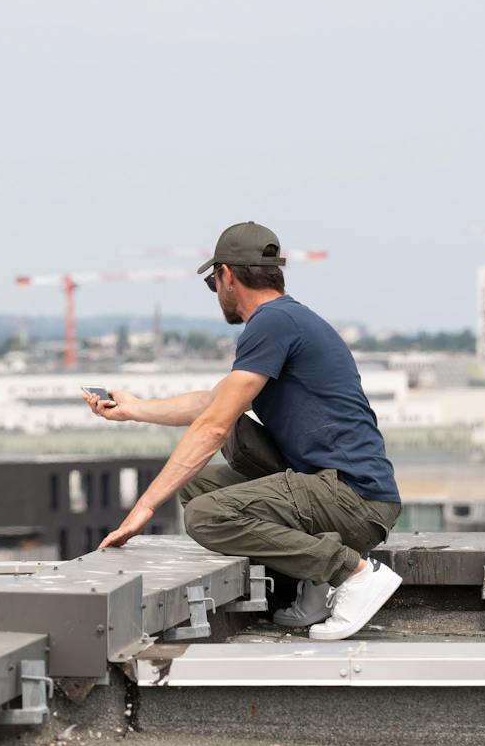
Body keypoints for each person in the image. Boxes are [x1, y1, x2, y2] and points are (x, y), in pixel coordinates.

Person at [89, 221, 403, 639]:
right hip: (337, 489)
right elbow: (214, 404)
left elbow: (214, 427)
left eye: (213, 282)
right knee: (200, 487)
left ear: (228, 276)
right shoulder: (286, 320)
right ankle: (311, 584)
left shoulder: (271, 323)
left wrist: (143, 508)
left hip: (353, 499)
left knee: (206, 516)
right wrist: (133, 409)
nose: (216, 291)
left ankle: (354, 573)